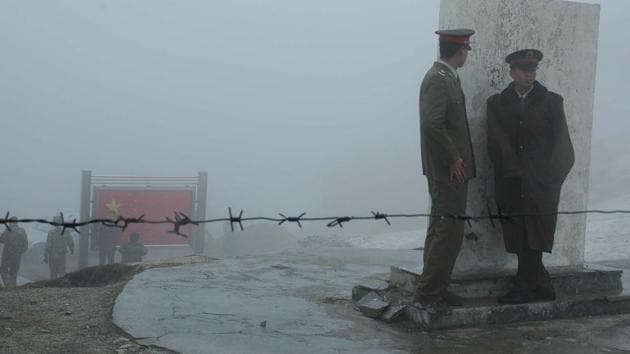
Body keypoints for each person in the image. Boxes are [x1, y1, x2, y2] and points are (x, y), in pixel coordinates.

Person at [487, 49, 574, 304]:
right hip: (511, 181)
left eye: (533, 69)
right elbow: (496, 142)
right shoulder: (497, 103)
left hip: (541, 183)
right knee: (518, 232)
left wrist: (551, 180)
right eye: (524, 70)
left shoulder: (552, 102)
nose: (529, 74)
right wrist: (511, 170)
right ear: (512, 72)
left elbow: (563, 146)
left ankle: (524, 286)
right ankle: (539, 284)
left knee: (536, 232)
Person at [414, 29, 476, 309]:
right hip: (447, 169)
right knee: (447, 230)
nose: (467, 54)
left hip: (449, 167)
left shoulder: (447, 77)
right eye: (466, 49)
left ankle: (435, 287)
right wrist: (453, 157)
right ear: (460, 50)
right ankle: (429, 294)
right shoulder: (438, 80)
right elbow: (432, 123)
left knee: (442, 227)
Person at [0, 217, 28, 287]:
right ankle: (13, 285)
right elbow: (25, 243)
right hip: (17, 254)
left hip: (7, 254)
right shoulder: (22, 230)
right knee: (14, 270)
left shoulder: (8, 230)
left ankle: (7, 284)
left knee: (3, 269)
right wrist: (20, 251)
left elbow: (2, 240)